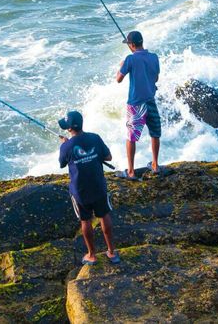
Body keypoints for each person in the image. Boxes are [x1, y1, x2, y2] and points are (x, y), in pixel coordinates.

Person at [58, 110, 120, 265]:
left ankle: (92, 255)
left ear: (70, 129)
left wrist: (65, 144)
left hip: (80, 191)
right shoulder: (95, 138)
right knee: (104, 215)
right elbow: (108, 157)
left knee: (85, 220)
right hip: (98, 186)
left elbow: (62, 164)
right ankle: (112, 252)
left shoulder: (66, 146)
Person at [116, 30, 161, 179]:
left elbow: (118, 79)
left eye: (129, 44)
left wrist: (122, 65)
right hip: (150, 101)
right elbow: (155, 78)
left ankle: (131, 172)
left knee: (132, 137)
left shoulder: (130, 59)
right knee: (155, 133)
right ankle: (155, 165)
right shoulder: (154, 57)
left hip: (136, 104)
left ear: (132, 45)